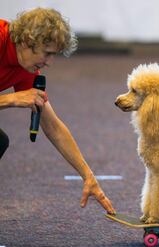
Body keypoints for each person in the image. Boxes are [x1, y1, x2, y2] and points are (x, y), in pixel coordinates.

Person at [0, 8, 115, 215]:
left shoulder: (25, 69)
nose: (50, 62)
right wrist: (11, 98)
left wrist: (88, 175)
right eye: (48, 53)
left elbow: (53, 126)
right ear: (27, 40)